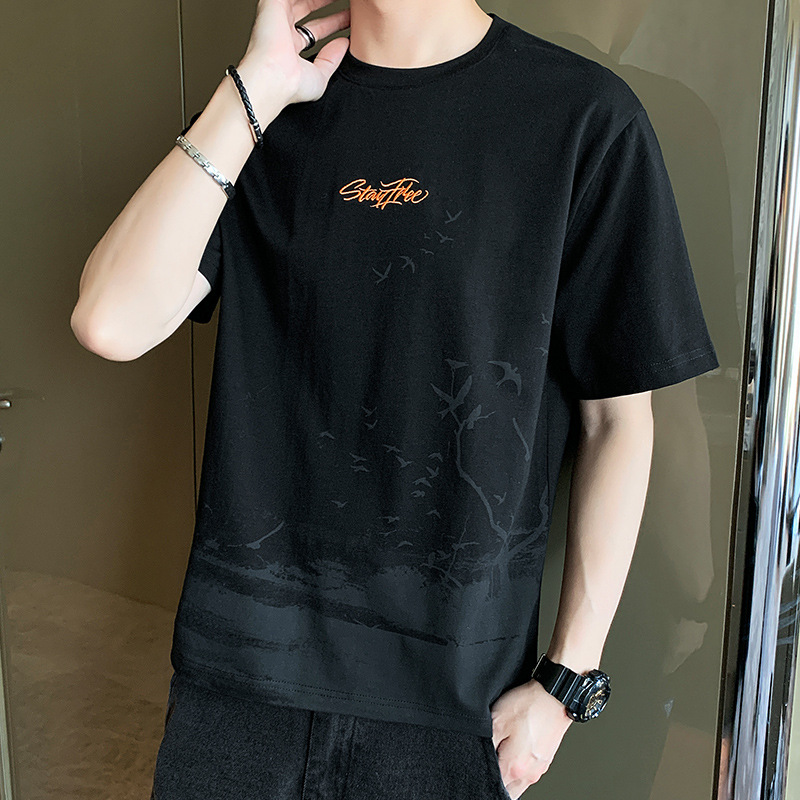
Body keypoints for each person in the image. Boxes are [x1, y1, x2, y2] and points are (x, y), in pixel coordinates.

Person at [70, 1, 720, 797]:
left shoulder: (584, 117)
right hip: (239, 688)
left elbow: (619, 417)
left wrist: (567, 681)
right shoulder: (263, 110)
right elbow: (110, 322)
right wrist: (254, 88)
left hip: (454, 708)